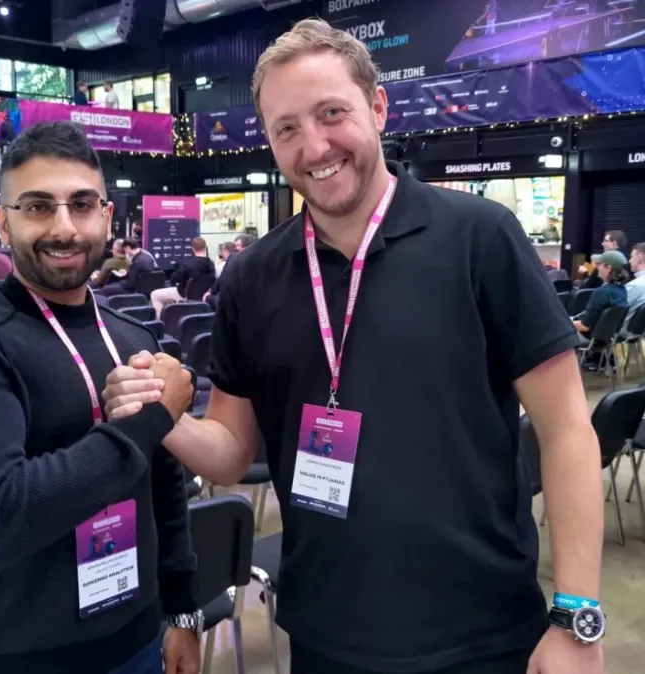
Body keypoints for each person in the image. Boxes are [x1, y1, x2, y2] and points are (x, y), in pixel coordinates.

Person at [105, 18, 605, 674]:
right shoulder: (253, 277)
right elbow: (231, 452)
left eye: (332, 113)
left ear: (377, 107)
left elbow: (567, 427)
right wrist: (162, 416)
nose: (314, 146)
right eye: (287, 128)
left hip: (481, 632)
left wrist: (576, 617)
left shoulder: (479, 238)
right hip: (326, 635)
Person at [0, 121, 201, 674]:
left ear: (107, 217)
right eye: (38, 206)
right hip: (10, 659)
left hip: (136, 640)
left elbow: (164, 488)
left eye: (82, 205)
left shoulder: (133, 337)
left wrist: (182, 612)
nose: (64, 227)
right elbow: (0, 523)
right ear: (3, 220)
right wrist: (150, 419)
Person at [149, 237, 214, 318]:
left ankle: (160, 324)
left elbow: (173, 280)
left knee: (154, 295)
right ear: (205, 247)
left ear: (192, 249)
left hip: (185, 295)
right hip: (204, 295)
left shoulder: (187, 264)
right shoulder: (211, 264)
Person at [573, 249, 629, 341]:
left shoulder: (602, 293)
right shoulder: (622, 291)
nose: (597, 267)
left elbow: (585, 326)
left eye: (599, 264)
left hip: (588, 338)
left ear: (608, 268)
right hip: (606, 338)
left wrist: (563, 324)